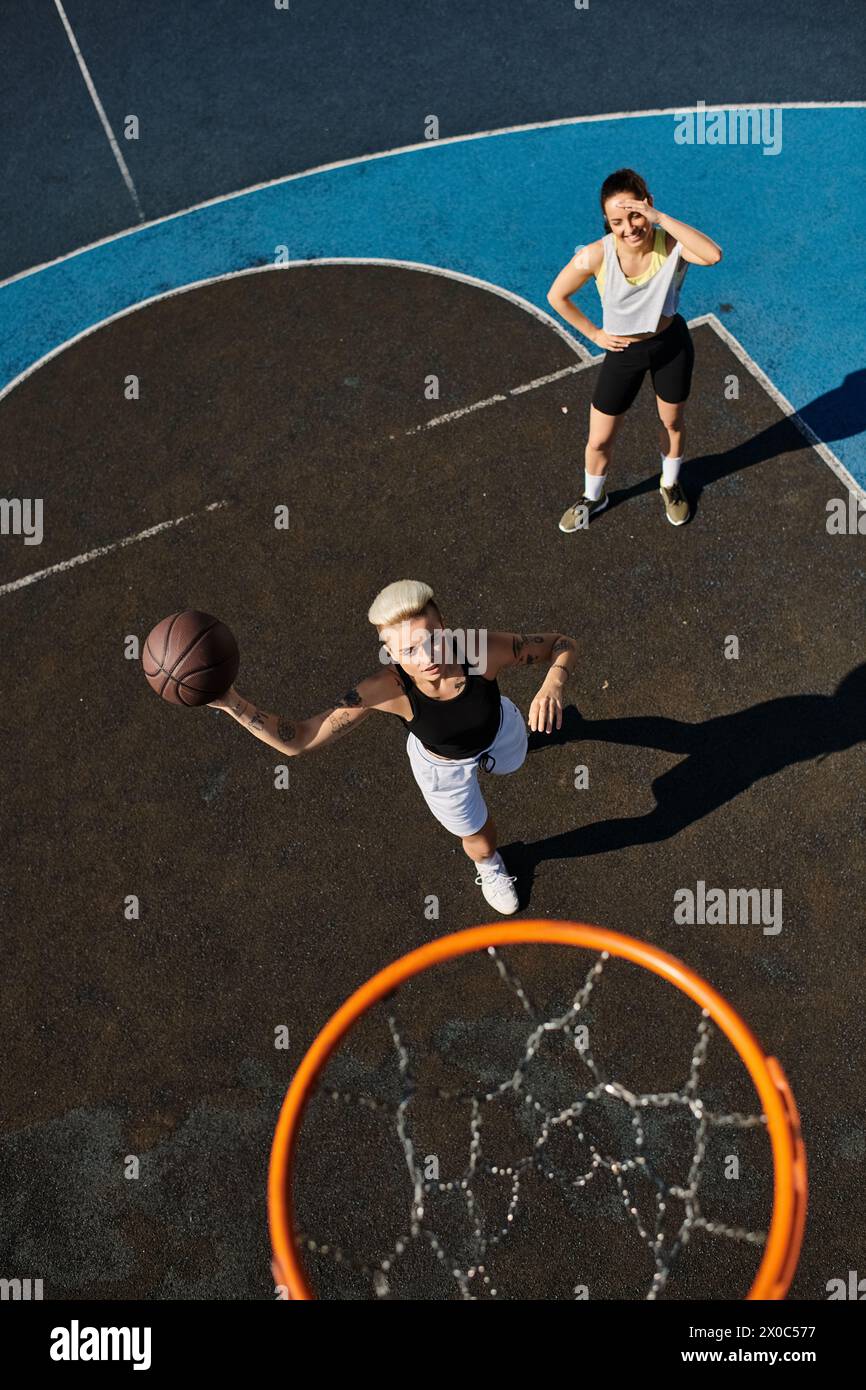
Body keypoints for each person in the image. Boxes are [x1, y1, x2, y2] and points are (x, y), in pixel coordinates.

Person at [209, 580, 577, 915]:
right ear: (389, 653)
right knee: (479, 841)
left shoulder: (480, 649)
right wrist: (232, 703)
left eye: (432, 638)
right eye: (409, 650)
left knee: (516, 756)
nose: (428, 657)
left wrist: (552, 686)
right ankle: (489, 865)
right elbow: (301, 738)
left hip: (499, 729)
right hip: (443, 768)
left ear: (445, 625)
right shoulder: (386, 689)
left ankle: (518, 741)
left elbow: (563, 644)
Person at [546, 167, 722, 529]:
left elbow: (713, 255)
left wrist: (660, 219)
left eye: (636, 215)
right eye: (616, 221)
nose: (629, 228)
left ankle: (670, 484)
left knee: (671, 421)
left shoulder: (671, 244)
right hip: (623, 354)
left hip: (670, 345)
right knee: (599, 440)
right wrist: (594, 334)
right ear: (606, 223)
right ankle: (593, 496)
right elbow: (557, 295)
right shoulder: (596, 256)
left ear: (649, 205)